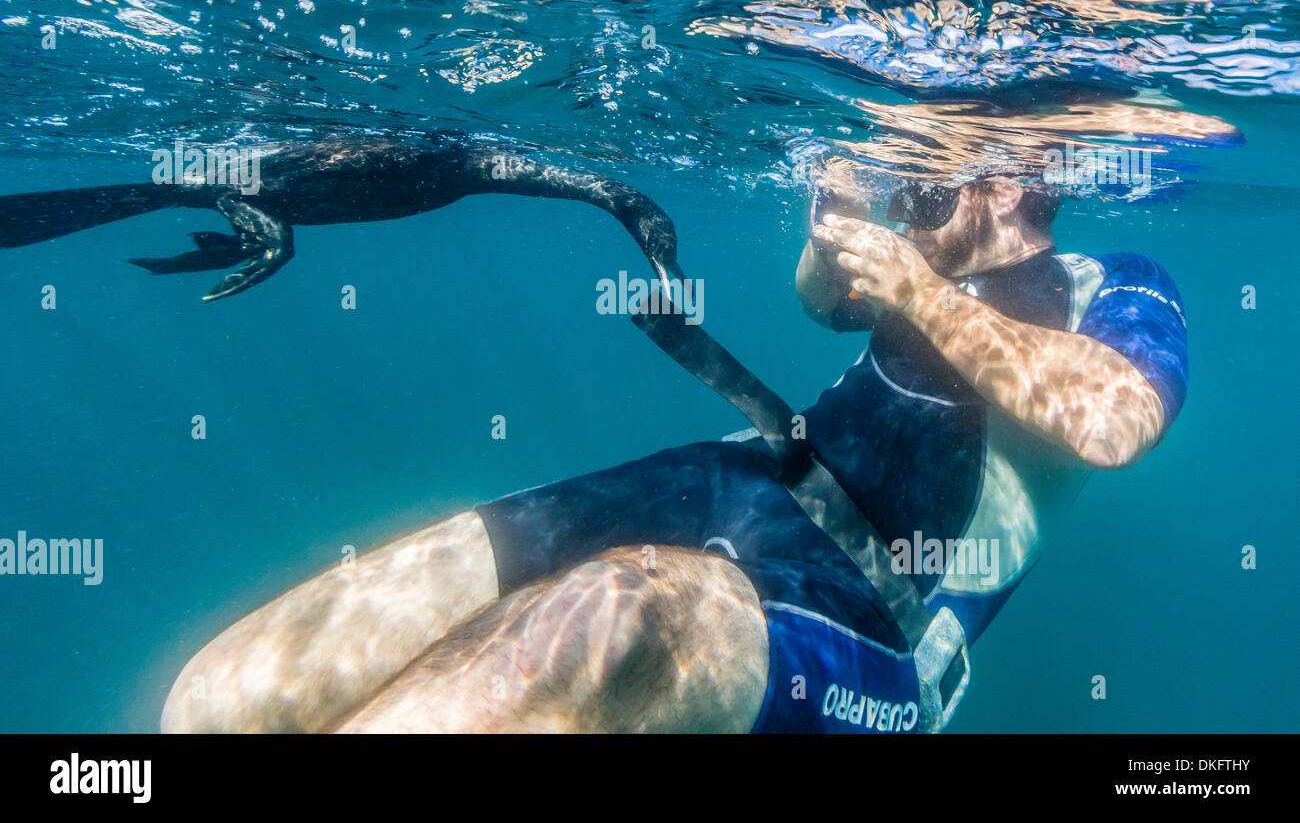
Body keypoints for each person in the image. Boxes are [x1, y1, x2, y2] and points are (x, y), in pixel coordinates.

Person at [161, 164, 1188, 733]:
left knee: (614, 622)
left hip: (876, 601)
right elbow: (826, 304)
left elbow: (1111, 421)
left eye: (924, 187)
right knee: (225, 696)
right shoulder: (931, 253)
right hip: (736, 476)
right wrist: (831, 236)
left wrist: (917, 287)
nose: (908, 203)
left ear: (1004, 184)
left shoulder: (1114, 280)